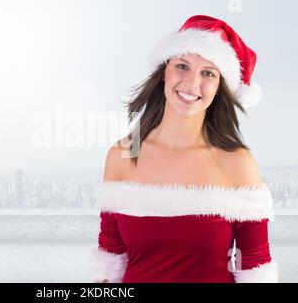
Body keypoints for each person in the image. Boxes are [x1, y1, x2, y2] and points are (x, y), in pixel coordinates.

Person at [88, 15, 278, 283]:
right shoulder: (123, 155)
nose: (191, 83)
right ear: (164, 72)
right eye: (182, 66)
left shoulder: (237, 163)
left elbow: (255, 267)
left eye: (208, 73)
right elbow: (109, 261)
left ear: (219, 88)